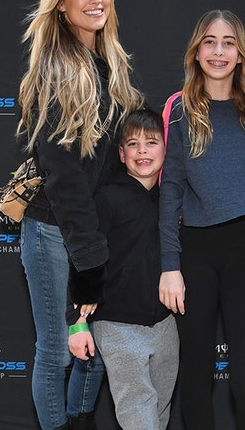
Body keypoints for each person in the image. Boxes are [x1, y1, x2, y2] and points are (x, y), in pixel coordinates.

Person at [16, 0, 145, 430]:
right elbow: (64, 177)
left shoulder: (108, 63)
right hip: (54, 232)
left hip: (91, 231)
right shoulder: (55, 70)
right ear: (60, 3)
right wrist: (90, 258)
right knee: (57, 353)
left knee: (93, 346)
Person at [158, 9, 245, 430]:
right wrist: (170, 267)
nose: (219, 51)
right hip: (195, 251)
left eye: (229, 42)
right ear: (196, 51)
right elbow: (170, 190)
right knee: (195, 377)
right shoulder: (178, 109)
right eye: (210, 42)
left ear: (240, 52)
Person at [82, 109, 179, 430]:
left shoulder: (172, 200)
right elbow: (86, 254)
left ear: (166, 148)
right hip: (118, 324)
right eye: (133, 145)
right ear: (121, 154)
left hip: (166, 325)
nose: (142, 151)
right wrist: (79, 319)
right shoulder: (107, 199)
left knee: (159, 411)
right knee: (137, 410)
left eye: (151, 143)